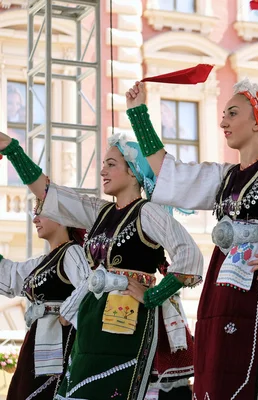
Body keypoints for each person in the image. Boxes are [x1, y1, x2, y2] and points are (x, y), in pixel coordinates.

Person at [124, 77, 258, 399]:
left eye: (232, 113)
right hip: (222, 280)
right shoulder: (225, 176)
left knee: (253, 362)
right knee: (217, 359)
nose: (223, 122)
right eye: (223, 115)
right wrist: (139, 115)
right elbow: (172, 174)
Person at [0, 130, 203, 400]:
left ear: (133, 172)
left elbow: (189, 255)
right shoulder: (100, 212)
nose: (102, 171)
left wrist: (154, 295)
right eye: (103, 165)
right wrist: (14, 151)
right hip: (92, 316)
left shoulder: (147, 212)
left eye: (111, 164)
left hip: (128, 318)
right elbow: (50, 194)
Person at [0, 215, 88, 400]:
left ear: (61, 216)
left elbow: (88, 283)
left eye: (42, 212)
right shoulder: (43, 261)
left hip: (56, 344)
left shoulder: (71, 252)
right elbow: (10, 276)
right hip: (37, 340)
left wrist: (67, 310)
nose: (35, 220)